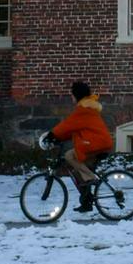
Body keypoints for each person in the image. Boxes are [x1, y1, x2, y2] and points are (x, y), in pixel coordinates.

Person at [50, 80, 114, 212]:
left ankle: (91, 177)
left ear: (77, 95)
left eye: (72, 94)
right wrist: (59, 137)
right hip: (96, 143)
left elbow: (67, 124)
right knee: (78, 171)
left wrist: (52, 135)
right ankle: (87, 203)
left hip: (96, 144)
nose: (71, 97)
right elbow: (73, 129)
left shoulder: (83, 110)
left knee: (69, 156)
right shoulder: (87, 108)